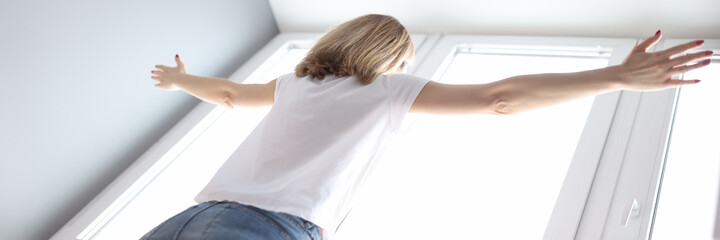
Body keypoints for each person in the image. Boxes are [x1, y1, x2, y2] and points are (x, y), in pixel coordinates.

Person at [146, 14, 711, 240]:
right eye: (402, 60)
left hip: (190, 218)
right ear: (389, 60)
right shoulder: (385, 89)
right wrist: (616, 76)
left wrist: (181, 80)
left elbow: (225, 95)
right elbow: (498, 99)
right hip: (266, 230)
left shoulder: (293, 86)